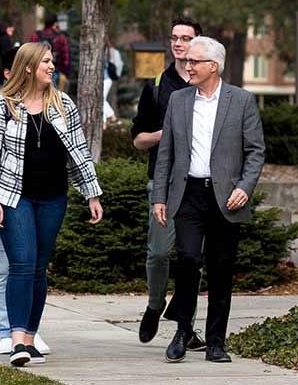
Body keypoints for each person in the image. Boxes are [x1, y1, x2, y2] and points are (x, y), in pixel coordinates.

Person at [0, 41, 104, 368]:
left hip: (53, 198)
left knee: (38, 268)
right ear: (29, 67)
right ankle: (16, 339)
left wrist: (92, 193)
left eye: (52, 61)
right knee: (21, 262)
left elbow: (79, 151)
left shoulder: (62, 104)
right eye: (46, 61)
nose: (53, 66)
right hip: (13, 196)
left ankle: (31, 339)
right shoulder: (1, 106)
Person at [149, 36, 264, 364]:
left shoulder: (241, 101)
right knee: (187, 259)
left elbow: (256, 151)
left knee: (221, 268)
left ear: (213, 66)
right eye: (187, 61)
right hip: (187, 195)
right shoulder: (179, 101)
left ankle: (216, 341)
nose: (188, 65)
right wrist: (160, 196)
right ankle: (183, 330)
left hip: (226, 197)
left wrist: (245, 186)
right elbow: (166, 153)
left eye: (195, 61)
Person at [0, 48, 55, 357]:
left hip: (39, 198)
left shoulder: (54, 104)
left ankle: (28, 333)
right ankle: (7, 332)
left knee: (30, 266)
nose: (51, 66)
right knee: (9, 266)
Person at [129, 18, 203, 348]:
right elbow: (137, 140)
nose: (178, 43)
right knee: (159, 253)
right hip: (163, 183)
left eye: (186, 38)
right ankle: (155, 304)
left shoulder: (209, 84)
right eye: (174, 37)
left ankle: (185, 327)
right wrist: (164, 135)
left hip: (200, 185)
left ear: (198, 43)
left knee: (191, 259)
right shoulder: (158, 85)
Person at [29, 14, 71, 88]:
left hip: (36, 71)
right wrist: (65, 73)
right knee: (54, 95)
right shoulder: (60, 37)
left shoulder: (35, 35)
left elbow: (29, 53)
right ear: (55, 23)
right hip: (55, 71)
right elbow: (66, 58)